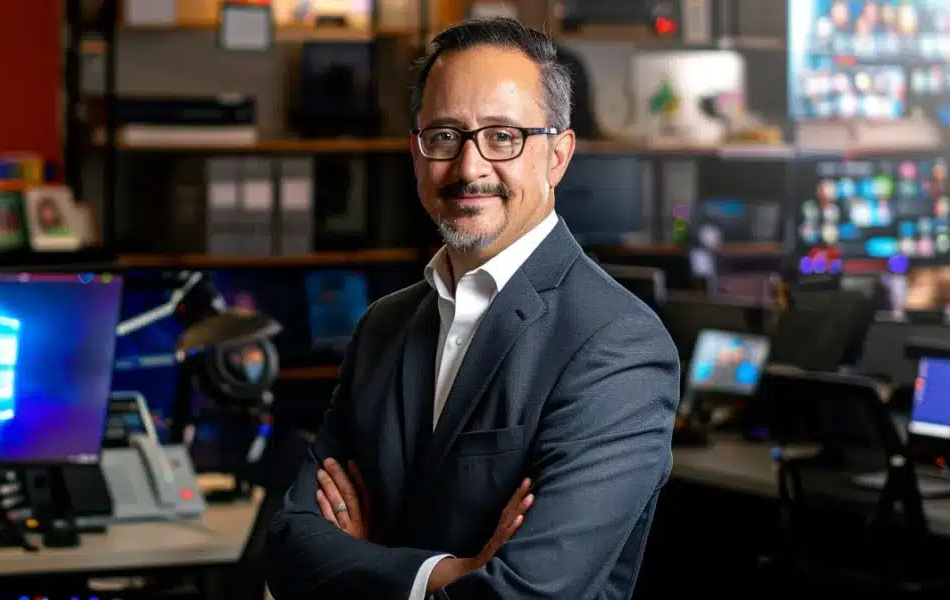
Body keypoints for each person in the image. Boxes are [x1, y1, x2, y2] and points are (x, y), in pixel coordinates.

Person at [263, 18, 680, 600]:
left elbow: (533, 594)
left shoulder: (617, 344)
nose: (469, 167)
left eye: (503, 136)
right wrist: (446, 574)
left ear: (558, 156)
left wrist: (366, 561)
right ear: (416, 153)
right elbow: (286, 547)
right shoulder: (384, 325)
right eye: (445, 136)